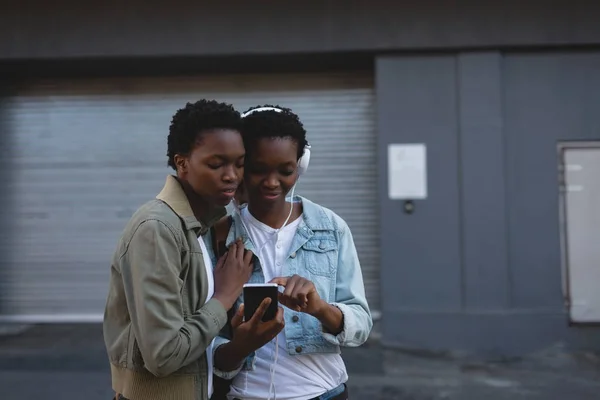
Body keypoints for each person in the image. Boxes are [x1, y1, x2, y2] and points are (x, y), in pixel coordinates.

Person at [209, 105, 373, 400]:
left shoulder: (330, 228)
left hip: (324, 393)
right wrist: (240, 345)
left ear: (301, 165)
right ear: (241, 165)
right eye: (259, 169)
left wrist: (320, 308)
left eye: (286, 171)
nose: (272, 182)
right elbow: (207, 347)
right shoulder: (219, 236)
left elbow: (361, 323)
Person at [103, 99, 254, 400]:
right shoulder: (158, 229)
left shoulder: (201, 225)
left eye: (239, 163)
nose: (232, 176)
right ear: (182, 163)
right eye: (216, 164)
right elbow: (164, 354)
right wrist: (223, 297)